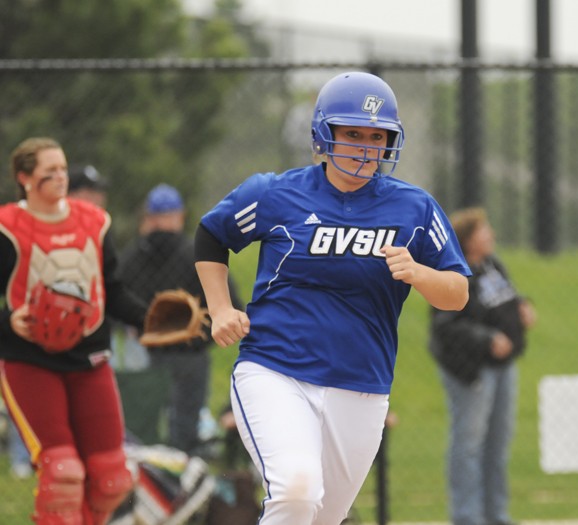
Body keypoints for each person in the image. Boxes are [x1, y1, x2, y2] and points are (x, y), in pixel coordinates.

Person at [193, 71, 470, 525]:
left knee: (322, 517)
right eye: (352, 133)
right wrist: (220, 308)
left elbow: (457, 294)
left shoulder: (414, 207)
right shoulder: (277, 192)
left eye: (377, 136)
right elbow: (211, 234)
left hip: (361, 386)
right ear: (324, 134)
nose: (365, 146)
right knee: (297, 493)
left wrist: (418, 273)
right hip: (276, 370)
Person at [0, 137, 148, 524]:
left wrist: (147, 319)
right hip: (29, 360)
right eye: (49, 173)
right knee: (62, 474)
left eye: (63, 169)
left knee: (112, 479)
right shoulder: (7, 228)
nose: (60, 178)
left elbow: (111, 290)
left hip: (89, 361)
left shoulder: (93, 222)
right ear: (25, 179)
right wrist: (8, 322)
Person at [428, 207, 536, 525]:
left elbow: (505, 298)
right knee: (469, 444)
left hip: (503, 366)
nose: (491, 235)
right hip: (471, 368)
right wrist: (487, 338)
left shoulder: (491, 265)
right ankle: (466, 516)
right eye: (483, 230)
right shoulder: (453, 271)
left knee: (497, 445)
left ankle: (496, 515)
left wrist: (523, 306)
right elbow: (445, 325)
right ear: (467, 239)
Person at [117, 183, 228, 454]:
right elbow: (227, 303)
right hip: (190, 353)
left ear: (148, 218)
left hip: (147, 352)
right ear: (180, 215)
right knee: (185, 425)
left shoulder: (133, 255)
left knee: (147, 425)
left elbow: (114, 300)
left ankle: (148, 471)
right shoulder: (196, 252)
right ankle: (184, 467)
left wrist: (134, 326)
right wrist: (201, 336)